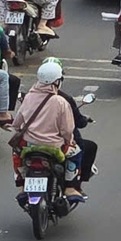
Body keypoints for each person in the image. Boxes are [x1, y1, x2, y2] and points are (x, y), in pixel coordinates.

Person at [8, 62, 86, 203]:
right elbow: (67, 130)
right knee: (76, 153)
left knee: (16, 155)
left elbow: (17, 123)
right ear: (57, 81)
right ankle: (70, 187)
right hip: (54, 147)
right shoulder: (61, 102)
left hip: (29, 145)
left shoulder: (28, 97)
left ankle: (22, 186)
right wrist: (69, 141)